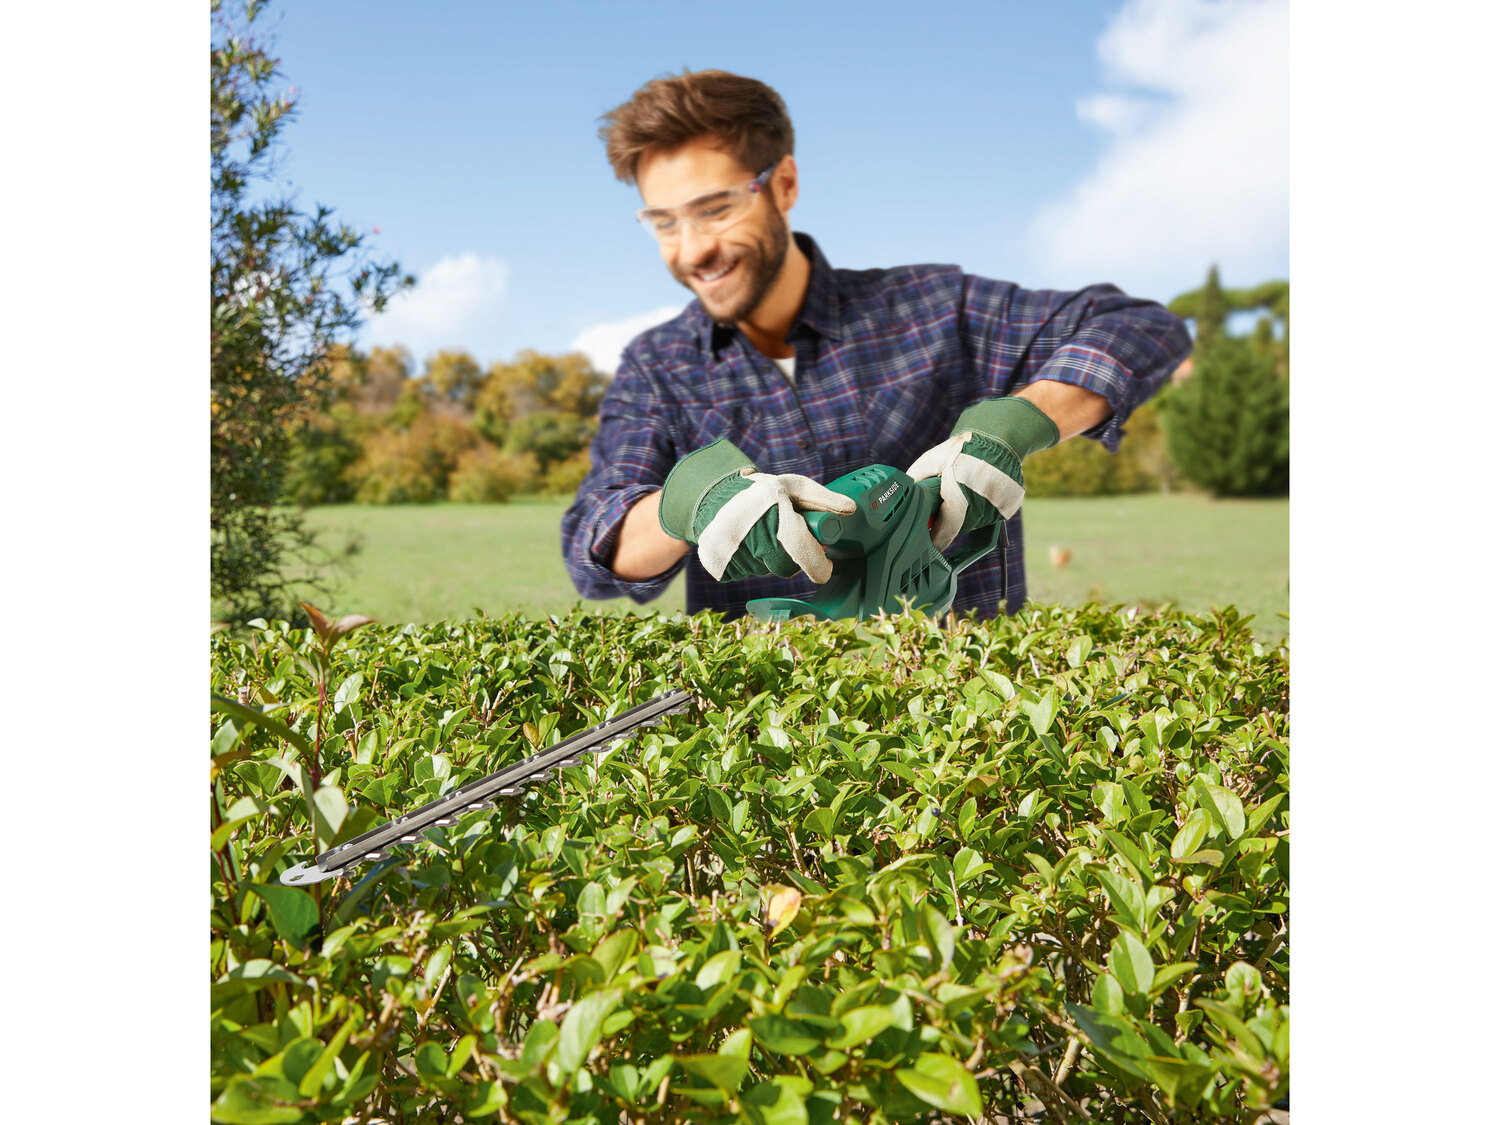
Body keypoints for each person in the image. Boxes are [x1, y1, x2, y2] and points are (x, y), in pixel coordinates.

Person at [562, 69, 1191, 621]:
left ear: (783, 184)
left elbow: (1137, 326)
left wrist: (1014, 426)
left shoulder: (932, 306)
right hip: (764, 735)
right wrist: (688, 505)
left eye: (715, 208)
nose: (692, 248)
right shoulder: (657, 367)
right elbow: (597, 544)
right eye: (664, 222)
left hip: (973, 725)